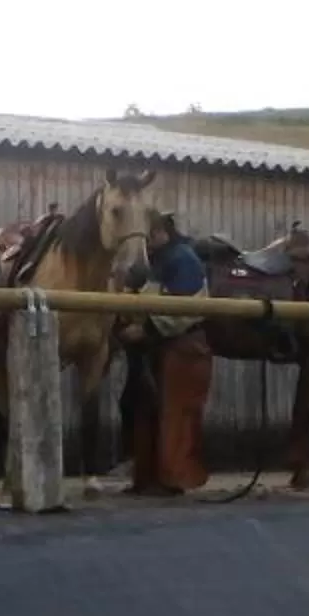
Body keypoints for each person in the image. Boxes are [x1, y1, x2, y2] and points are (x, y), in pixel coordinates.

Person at [120, 212, 211, 496]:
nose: (145, 242)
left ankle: (171, 478)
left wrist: (145, 327)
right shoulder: (157, 261)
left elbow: (185, 308)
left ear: (161, 233)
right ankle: (150, 477)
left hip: (182, 346)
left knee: (175, 413)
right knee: (149, 410)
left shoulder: (182, 260)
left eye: (148, 236)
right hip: (160, 346)